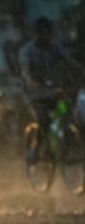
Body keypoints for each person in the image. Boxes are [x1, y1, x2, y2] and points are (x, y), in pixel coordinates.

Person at [18, 17, 76, 162]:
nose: (45, 36)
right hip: (34, 95)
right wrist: (31, 81)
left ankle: (66, 146)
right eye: (41, 32)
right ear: (36, 33)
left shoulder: (56, 47)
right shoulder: (27, 51)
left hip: (54, 92)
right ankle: (36, 150)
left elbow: (70, 61)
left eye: (47, 32)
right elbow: (25, 71)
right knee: (43, 120)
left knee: (68, 113)